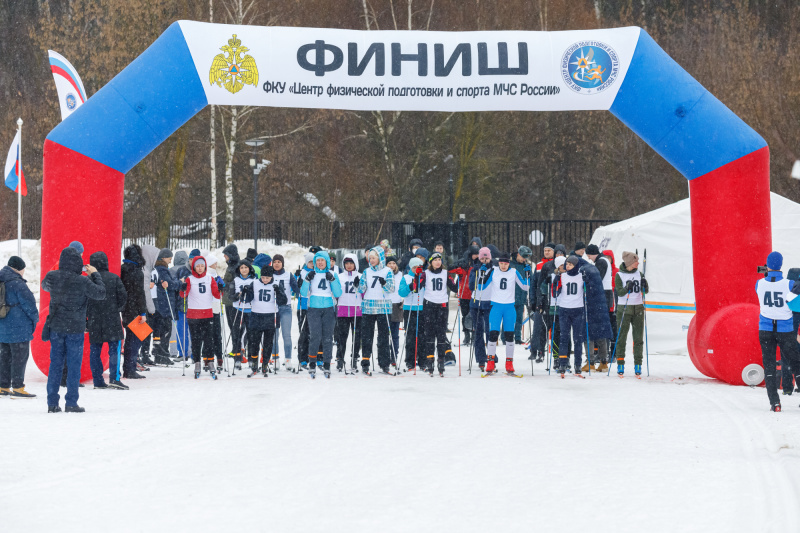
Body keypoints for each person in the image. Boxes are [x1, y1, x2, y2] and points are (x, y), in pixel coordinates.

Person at [42, 246, 106, 413]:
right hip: (75, 329)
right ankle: (71, 402)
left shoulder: (52, 276)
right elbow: (101, 293)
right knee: (73, 366)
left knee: (55, 365)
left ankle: (52, 403)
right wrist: (95, 274)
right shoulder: (83, 281)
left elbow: (44, 286)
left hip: (56, 327)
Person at [756, 252, 800, 411]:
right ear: (781, 265)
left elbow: (767, 286)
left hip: (765, 329)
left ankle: (775, 403)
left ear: (767, 265)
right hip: (785, 329)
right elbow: (795, 304)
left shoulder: (759, 283)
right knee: (796, 363)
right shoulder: (790, 284)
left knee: (769, 367)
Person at [475, 252, 529, 375]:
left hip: (509, 307)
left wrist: (527, 275)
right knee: (493, 335)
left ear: (509, 263)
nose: (503, 266)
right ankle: (490, 362)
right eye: (501, 263)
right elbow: (481, 287)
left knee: (510, 336)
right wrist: (482, 274)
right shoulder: (493, 271)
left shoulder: (514, 272)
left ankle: (509, 363)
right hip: (496, 307)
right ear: (498, 263)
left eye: (505, 263)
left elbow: (525, 287)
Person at [86, 251, 128, 390]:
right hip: (112, 318)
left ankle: (97, 380)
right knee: (114, 349)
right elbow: (123, 297)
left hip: (94, 319)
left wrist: (89, 315)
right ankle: (114, 378)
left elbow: (84, 300)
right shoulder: (114, 278)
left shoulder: (89, 280)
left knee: (95, 350)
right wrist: (116, 308)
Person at [0, 256, 39, 398]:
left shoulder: (2, 279)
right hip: (19, 328)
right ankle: (18, 387)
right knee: (19, 358)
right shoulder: (18, 283)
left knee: (4, 358)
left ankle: (3, 386)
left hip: (2, 326)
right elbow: (30, 305)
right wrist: (35, 319)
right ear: (18, 268)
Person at [300, 250, 342, 378]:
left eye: (322, 260)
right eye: (317, 260)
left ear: (327, 262)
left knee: (328, 338)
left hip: (328, 309)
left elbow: (338, 293)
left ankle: (327, 363)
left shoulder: (333, 274)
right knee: (315, 336)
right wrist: (307, 280)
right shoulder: (311, 274)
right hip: (314, 309)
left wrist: (332, 280)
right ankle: (312, 363)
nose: (319, 263)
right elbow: (303, 293)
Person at [180, 255, 222, 379]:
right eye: (197, 266)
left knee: (209, 340)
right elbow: (183, 295)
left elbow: (217, 295)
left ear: (205, 267)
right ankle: (197, 362)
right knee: (196, 340)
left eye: (202, 266)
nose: (199, 268)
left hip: (207, 313)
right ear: (193, 267)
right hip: (193, 314)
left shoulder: (210, 278)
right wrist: (182, 288)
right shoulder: (190, 279)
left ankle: (210, 361)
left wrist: (220, 289)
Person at [244, 265, 287, 377]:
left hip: (270, 317)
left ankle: (265, 364)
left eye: (267, 278)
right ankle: (254, 364)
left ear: (271, 276)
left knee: (268, 343)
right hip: (256, 317)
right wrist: (245, 291)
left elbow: (283, 301)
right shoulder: (254, 283)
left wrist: (278, 291)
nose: (265, 280)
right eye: (263, 277)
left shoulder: (276, 284)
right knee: (254, 342)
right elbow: (247, 299)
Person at [419, 252, 458, 376]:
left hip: (442, 306)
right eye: (435, 260)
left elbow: (455, 288)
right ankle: (430, 361)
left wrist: (461, 276)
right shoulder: (426, 273)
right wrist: (417, 276)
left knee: (441, 334)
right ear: (431, 262)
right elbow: (416, 287)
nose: (437, 262)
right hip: (429, 305)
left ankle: (441, 361)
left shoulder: (446, 273)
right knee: (429, 335)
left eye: (439, 260)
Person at [358, 246, 395, 374]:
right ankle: (365, 362)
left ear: (380, 258)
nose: (372, 260)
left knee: (383, 336)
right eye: (370, 258)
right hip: (368, 306)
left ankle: (384, 363)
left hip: (383, 307)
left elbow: (391, 289)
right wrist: (358, 284)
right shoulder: (366, 271)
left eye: (374, 258)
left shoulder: (387, 271)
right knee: (367, 336)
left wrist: (384, 283)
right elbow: (361, 289)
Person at [614, 251, 649, 377]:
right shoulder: (619, 275)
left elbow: (645, 291)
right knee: (622, 337)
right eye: (636, 261)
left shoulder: (639, 274)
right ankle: (620, 363)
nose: (638, 263)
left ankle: (638, 363)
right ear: (629, 263)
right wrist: (627, 288)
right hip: (624, 309)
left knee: (638, 338)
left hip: (638, 308)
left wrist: (645, 285)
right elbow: (620, 293)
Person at [578, 256, 614, 373]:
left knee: (588, 334)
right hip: (601, 307)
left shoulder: (584, 272)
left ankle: (591, 363)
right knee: (601, 334)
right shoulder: (595, 271)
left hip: (590, 307)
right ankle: (603, 362)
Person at [552, 255, 586, 376]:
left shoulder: (581, 276)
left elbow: (588, 291)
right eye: (567, 264)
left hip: (578, 310)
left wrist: (587, 281)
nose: (567, 266)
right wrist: (555, 283)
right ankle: (562, 363)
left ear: (576, 266)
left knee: (577, 338)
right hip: (564, 309)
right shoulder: (562, 276)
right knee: (564, 337)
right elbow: (555, 294)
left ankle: (578, 364)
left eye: (570, 264)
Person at [586, 244, 616, 368]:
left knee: (600, 327)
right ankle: (602, 356)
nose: (589, 258)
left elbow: (596, 279)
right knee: (601, 327)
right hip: (604, 295)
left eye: (589, 255)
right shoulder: (603, 260)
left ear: (593, 253)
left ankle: (602, 356)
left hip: (602, 295)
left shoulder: (601, 262)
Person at [120, 245, 148, 378]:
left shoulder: (122, 269)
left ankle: (128, 367)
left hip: (125, 308)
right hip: (135, 309)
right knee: (135, 339)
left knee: (130, 339)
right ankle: (130, 368)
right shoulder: (137, 271)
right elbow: (140, 293)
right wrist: (143, 312)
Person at [150, 249, 180, 369]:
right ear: (163, 258)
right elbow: (170, 285)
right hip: (165, 305)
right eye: (169, 258)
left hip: (161, 304)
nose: (170, 261)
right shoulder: (162, 270)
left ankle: (160, 354)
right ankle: (162, 355)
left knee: (161, 331)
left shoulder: (157, 269)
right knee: (165, 331)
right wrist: (179, 282)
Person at [270, 254, 298, 372]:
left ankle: (288, 359)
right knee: (274, 335)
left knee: (286, 335)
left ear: (282, 263)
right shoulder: (269, 275)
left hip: (285, 308)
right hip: (272, 308)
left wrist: (298, 281)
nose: (276, 264)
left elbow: (296, 289)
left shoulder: (288, 275)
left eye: (279, 262)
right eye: (275, 262)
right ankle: (275, 359)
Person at [468, 247, 494, 372]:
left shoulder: (494, 270)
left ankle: (491, 357)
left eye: (486, 258)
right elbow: (471, 286)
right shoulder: (475, 269)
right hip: (476, 303)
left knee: (490, 332)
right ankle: (481, 359)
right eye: (482, 258)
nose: (484, 260)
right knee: (478, 332)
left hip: (489, 303)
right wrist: (478, 273)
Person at [335, 253, 362, 372]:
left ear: (355, 264)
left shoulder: (361, 276)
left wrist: (360, 286)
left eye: (351, 263)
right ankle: (340, 359)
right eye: (346, 263)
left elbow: (364, 293)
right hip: (343, 310)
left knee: (356, 337)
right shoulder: (339, 276)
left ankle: (354, 358)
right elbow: (336, 293)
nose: (349, 265)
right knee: (342, 336)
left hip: (357, 310)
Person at [398, 257, 425, 371]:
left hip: (422, 308)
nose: (416, 269)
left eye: (418, 267)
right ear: (410, 267)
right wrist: (410, 287)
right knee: (410, 336)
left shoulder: (424, 276)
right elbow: (401, 292)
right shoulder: (406, 277)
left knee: (422, 335)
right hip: (410, 309)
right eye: (414, 267)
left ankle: (423, 360)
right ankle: (410, 360)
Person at [530, 243, 555, 362]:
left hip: (552, 301)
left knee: (552, 328)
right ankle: (535, 350)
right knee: (538, 328)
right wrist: (533, 300)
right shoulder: (539, 265)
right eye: (545, 250)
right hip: (540, 301)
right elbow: (534, 284)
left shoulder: (557, 264)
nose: (547, 252)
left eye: (549, 250)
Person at [449, 246, 478, 346]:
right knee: (465, 316)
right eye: (475, 254)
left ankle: (474, 335)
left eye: (477, 254)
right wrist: (459, 264)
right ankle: (466, 335)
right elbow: (450, 269)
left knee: (474, 316)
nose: (476, 256)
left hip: (474, 295)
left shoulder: (478, 265)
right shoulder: (464, 264)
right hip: (463, 295)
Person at [231, 259, 256, 369]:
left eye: (246, 267)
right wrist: (237, 295)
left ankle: (251, 358)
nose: (244, 269)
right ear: (239, 269)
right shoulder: (235, 280)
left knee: (251, 335)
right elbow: (230, 296)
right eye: (242, 268)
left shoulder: (254, 280)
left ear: (249, 268)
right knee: (237, 334)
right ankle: (237, 358)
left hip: (251, 310)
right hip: (238, 309)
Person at [204, 253, 225, 372]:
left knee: (217, 334)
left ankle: (219, 358)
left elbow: (222, 288)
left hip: (216, 306)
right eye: (214, 263)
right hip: (207, 307)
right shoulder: (206, 276)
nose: (216, 264)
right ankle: (207, 357)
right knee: (207, 335)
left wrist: (222, 287)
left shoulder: (216, 275)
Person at [510, 246, 532, 344]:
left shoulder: (526, 266)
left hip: (521, 296)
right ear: (518, 254)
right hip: (510, 297)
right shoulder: (510, 265)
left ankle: (517, 337)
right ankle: (505, 337)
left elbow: (530, 281)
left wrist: (529, 273)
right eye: (523, 257)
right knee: (509, 319)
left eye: (526, 258)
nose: (524, 259)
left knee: (519, 318)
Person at [295, 253, 314, 370]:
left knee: (313, 334)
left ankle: (313, 356)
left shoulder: (318, 272)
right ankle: (302, 358)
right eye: (310, 262)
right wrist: (297, 279)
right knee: (304, 334)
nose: (312, 264)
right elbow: (295, 290)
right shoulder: (301, 273)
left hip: (315, 306)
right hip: (303, 306)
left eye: (313, 262)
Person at [221, 243, 240, 356]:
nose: (224, 257)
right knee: (232, 326)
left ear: (231, 255)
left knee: (234, 326)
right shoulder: (231, 265)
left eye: (226, 255)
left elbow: (235, 283)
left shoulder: (236, 266)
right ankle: (235, 348)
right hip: (228, 301)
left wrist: (224, 284)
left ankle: (237, 349)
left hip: (233, 301)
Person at [386, 255, 404, 357]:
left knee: (394, 333)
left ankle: (394, 354)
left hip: (396, 305)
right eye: (389, 263)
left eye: (394, 263)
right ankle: (384, 355)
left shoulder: (400, 275)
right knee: (384, 333)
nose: (392, 265)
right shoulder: (383, 274)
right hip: (385, 305)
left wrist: (403, 300)